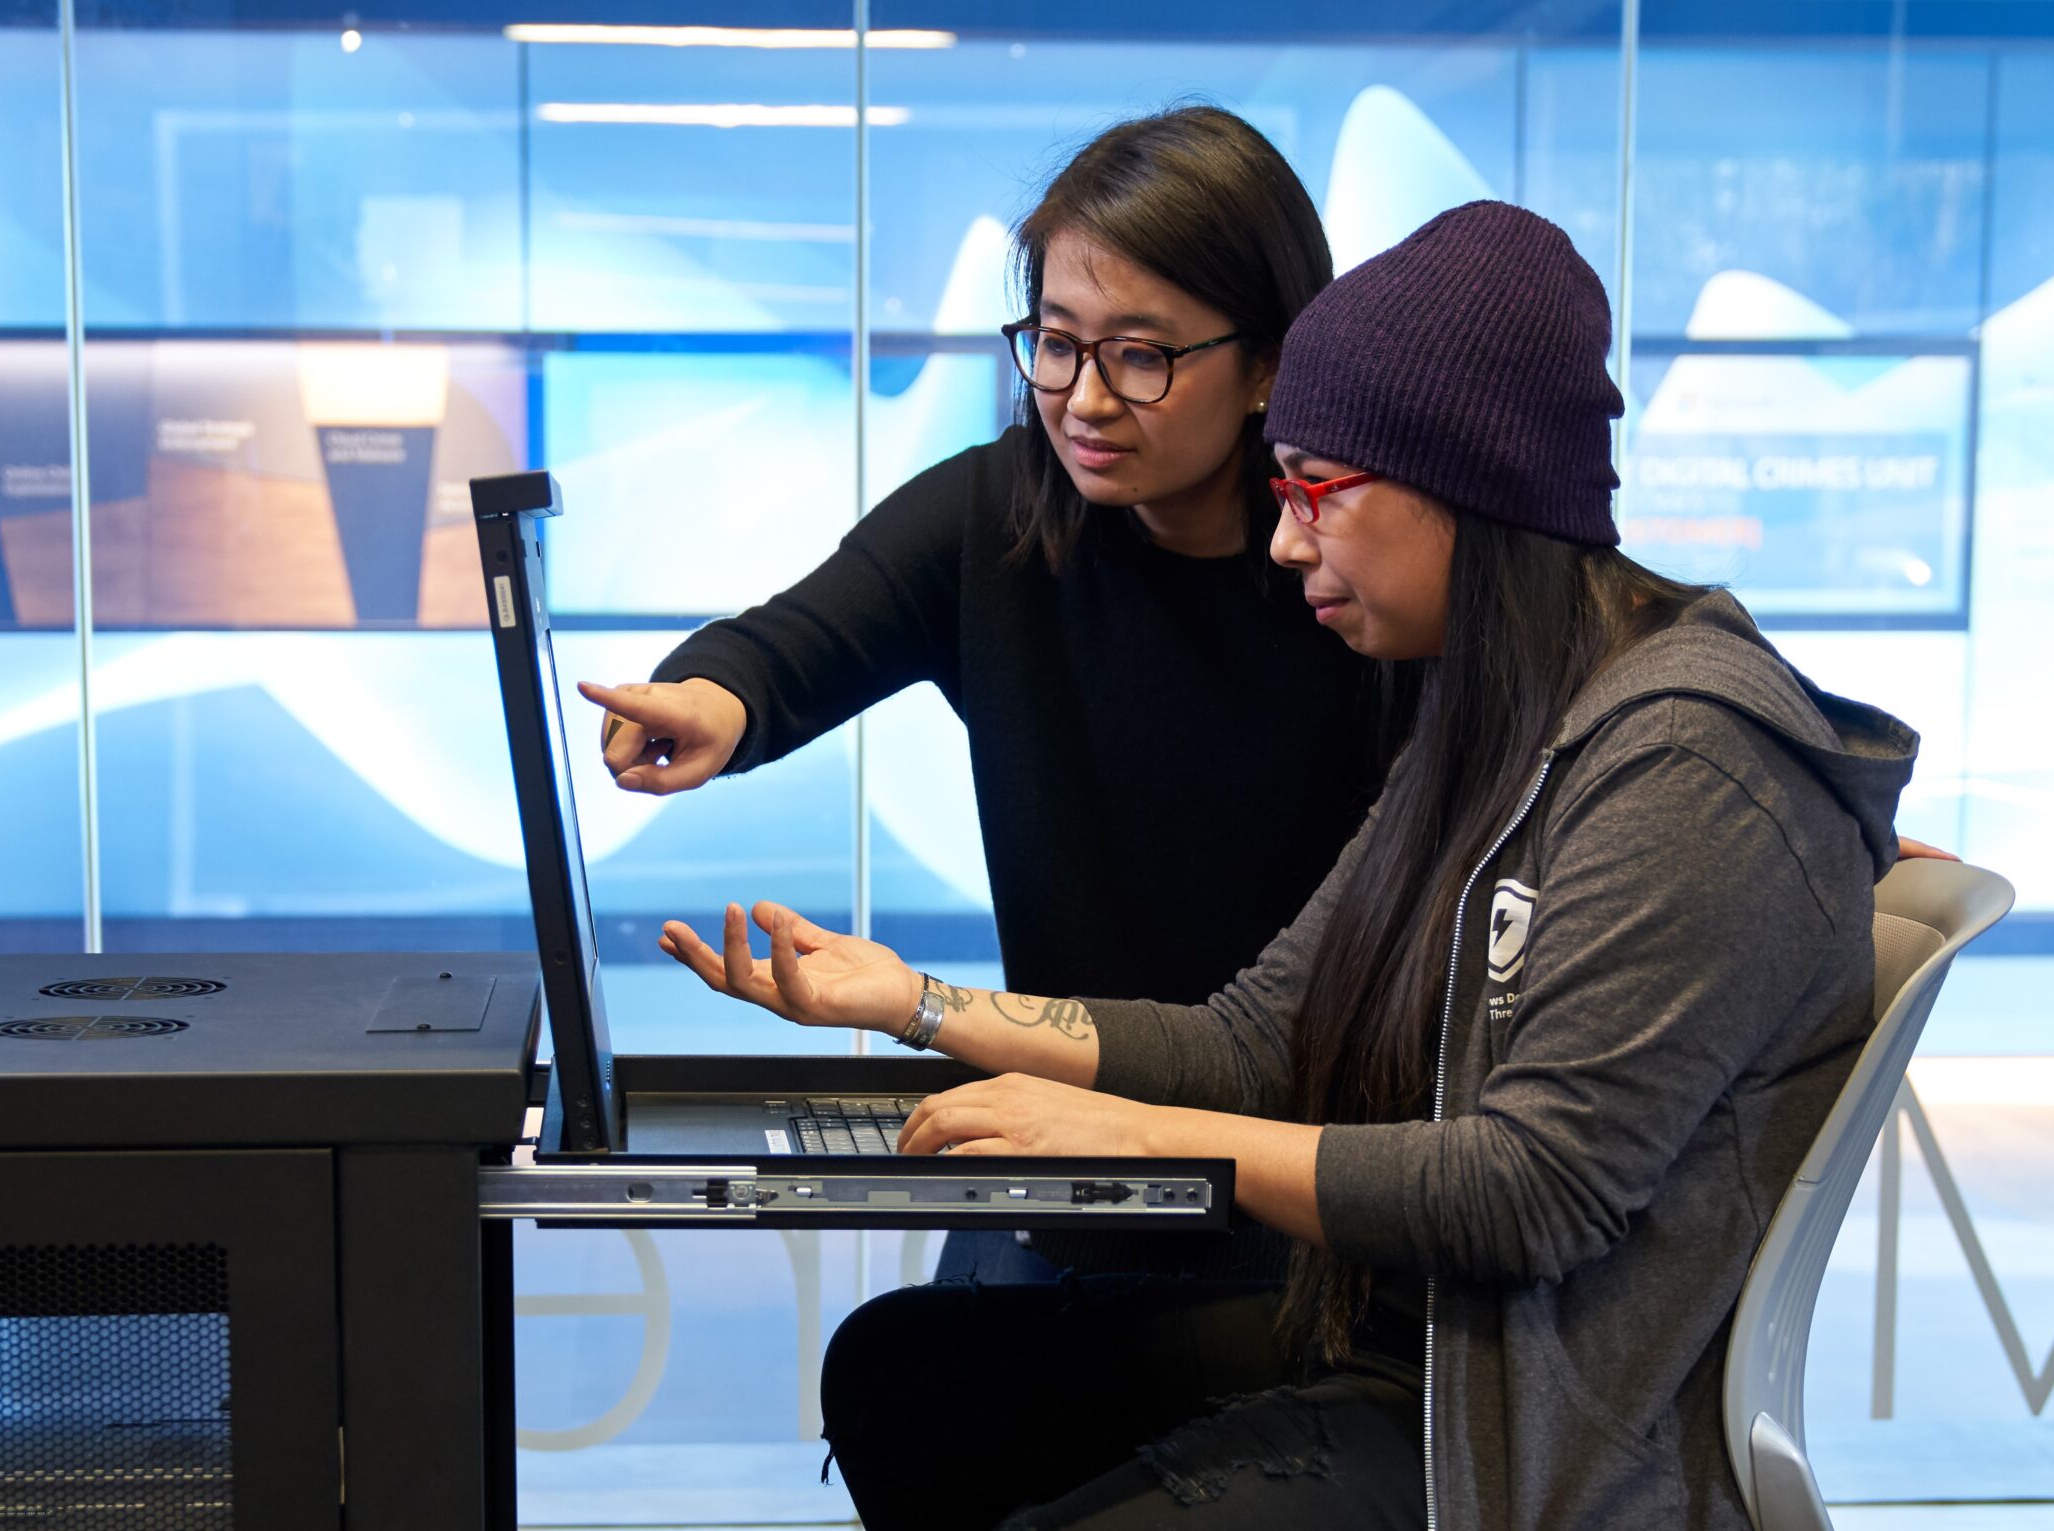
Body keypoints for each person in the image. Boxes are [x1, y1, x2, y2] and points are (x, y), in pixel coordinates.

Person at [654, 201, 1920, 1529]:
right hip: (1407, 1350)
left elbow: (1532, 1189)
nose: (1284, 539)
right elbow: (1260, 1035)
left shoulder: (1687, 764)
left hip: (1514, 1435)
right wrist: (912, 1000)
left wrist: (1134, 1128)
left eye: (1318, 488)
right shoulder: (1493, 719)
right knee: (909, 1378)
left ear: (1468, 483)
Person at [578, 106, 1394, 1282]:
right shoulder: (1000, 516)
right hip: (1061, 1135)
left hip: (1294, 1175)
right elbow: (799, 639)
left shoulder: (1356, 577)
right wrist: (715, 695)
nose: (1084, 399)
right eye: (1056, 343)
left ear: (1266, 362)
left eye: (1142, 355)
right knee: (907, 1380)